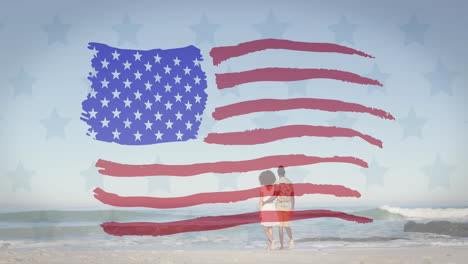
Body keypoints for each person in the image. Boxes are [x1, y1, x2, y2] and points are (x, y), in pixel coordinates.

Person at [275, 166, 294, 250]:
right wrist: (292, 208)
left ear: (278, 173)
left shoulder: (277, 182)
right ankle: (291, 239)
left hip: (279, 205)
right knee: (287, 225)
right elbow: (292, 196)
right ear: (284, 172)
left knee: (280, 226)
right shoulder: (289, 182)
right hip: (288, 206)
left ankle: (282, 246)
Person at [258, 170, 278, 251]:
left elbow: (261, 201)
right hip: (272, 208)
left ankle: (272, 241)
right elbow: (274, 197)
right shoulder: (274, 187)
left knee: (266, 228)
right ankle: (271, 245)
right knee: (270, 227)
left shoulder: (262, 188)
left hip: (266, 208)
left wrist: (260, 212)